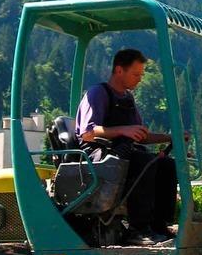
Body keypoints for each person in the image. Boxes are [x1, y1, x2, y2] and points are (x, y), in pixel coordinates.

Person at [75, 48, 178, 245]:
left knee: (165, 164)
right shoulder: (98, 93)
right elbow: (87, 133)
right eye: (136, 74)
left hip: (122, 152)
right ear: (119, 70)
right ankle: (138, 229)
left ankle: (159, 226)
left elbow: (139, 136)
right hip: (96, 155)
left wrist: (171, 137)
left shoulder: (127, 99)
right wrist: (123, 130)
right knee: (143, 161)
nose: (139, 79)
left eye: (141, 74)